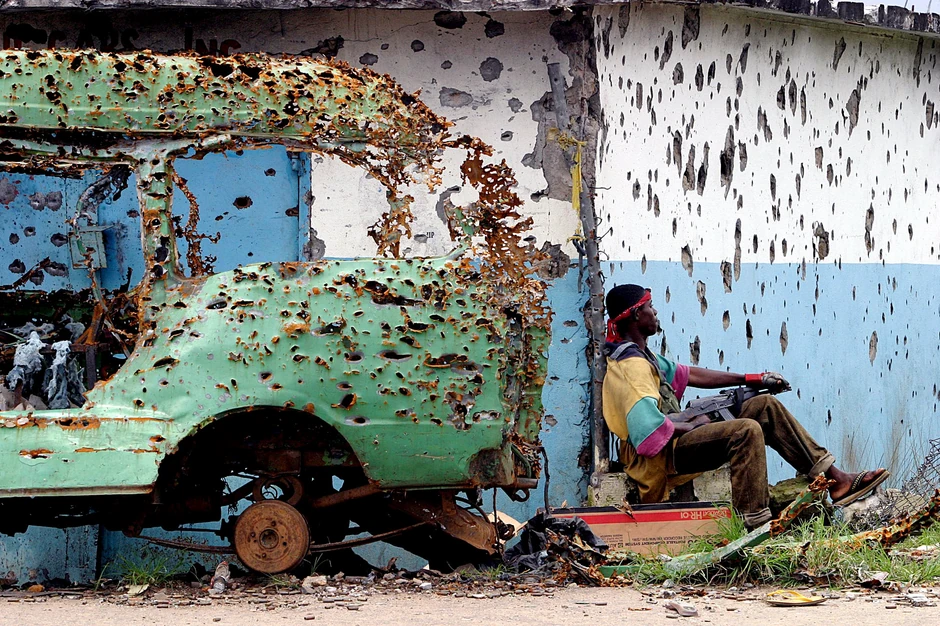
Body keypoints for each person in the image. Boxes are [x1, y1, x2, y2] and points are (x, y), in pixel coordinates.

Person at [601, 283, 889, 528]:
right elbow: (646, 432)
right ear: (637, 314)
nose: (655, 312)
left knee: (764, 405)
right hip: (659, 456)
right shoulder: (632, 367)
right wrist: (691, 424)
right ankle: (754, 523)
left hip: (672, 442)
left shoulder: (644, 356)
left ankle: (836, 479)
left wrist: (753, 379)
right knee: (745, 431)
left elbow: (691, 375)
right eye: (650, 307)